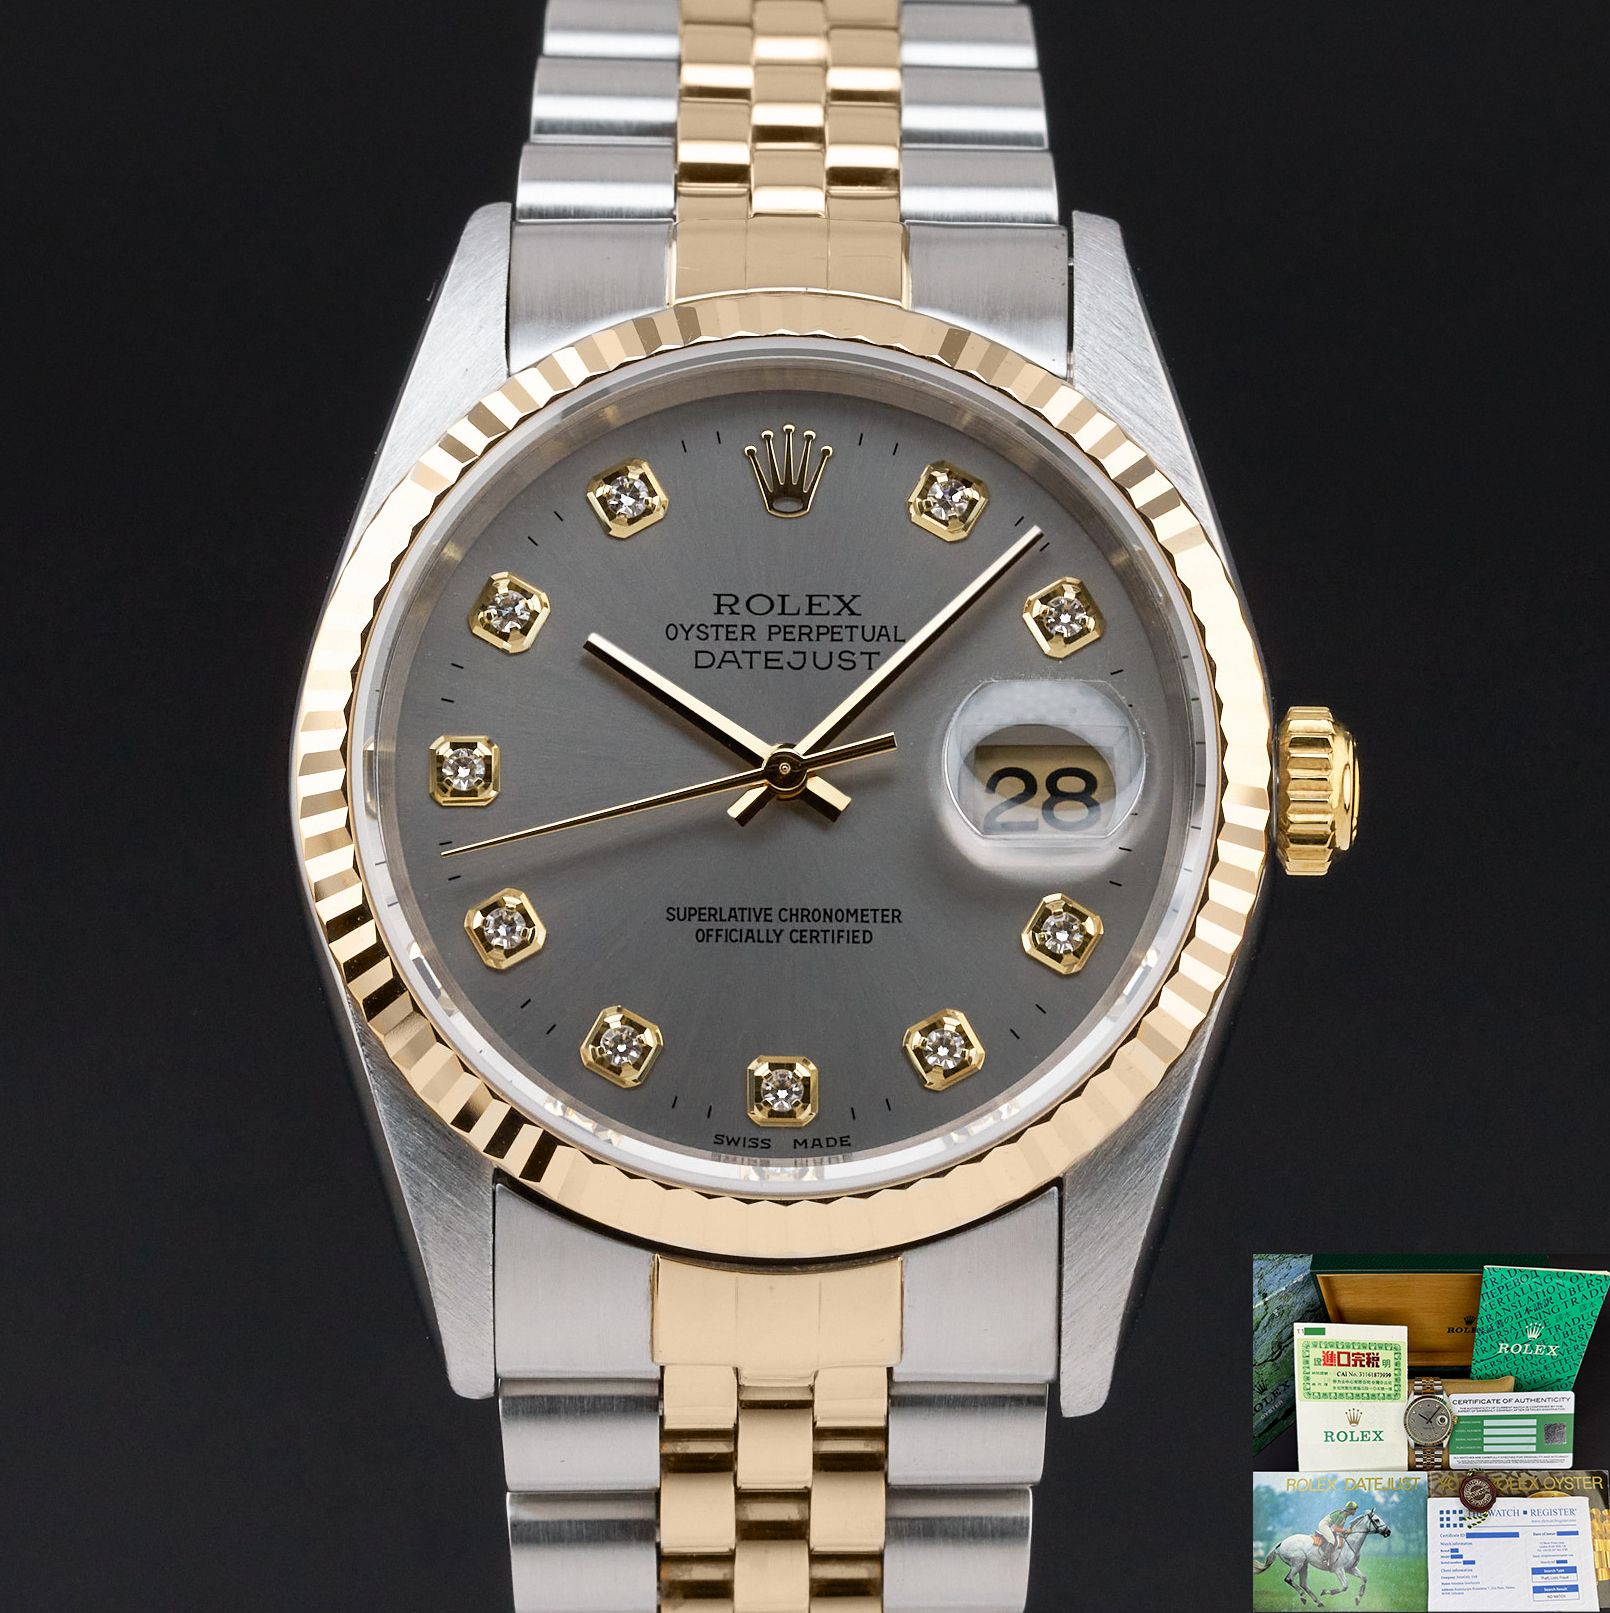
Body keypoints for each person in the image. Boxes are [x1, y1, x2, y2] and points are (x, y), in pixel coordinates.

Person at [1313, 1499, 1359, 1563]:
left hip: (1328, 1526)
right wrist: (1346, 1530)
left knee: (1335, 1540)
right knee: (1332, 1540)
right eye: (1354, 1509)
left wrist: (1340, 1544)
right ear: (1350, 1510)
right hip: (1324, 1525)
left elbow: (1340, 1529)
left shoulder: (1345, 1515)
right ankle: (1324, 1558)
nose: (1355, 1511)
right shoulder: (1342, 1516)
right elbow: (1335, 1529)